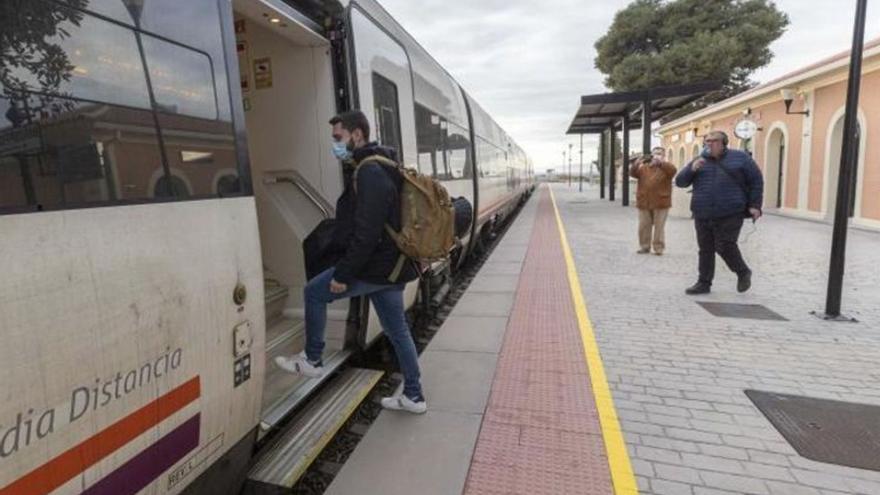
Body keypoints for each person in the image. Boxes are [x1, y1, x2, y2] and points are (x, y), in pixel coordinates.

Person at [275, 110, 427, 414]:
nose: (335, 144)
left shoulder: (370, 171)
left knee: (314, 293)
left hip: (376, 265)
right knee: (397, 330)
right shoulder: (382, 165)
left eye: (338, 137)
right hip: (391, 265)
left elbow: (367, 233)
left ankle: (313, 359)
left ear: (357, 134)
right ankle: (414, 396)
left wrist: (344, 273)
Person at [675, 131, 764, 295]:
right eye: (707, 141)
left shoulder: (741, 158)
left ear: (724, 143)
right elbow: (680, 182)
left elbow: (756, 181)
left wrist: (755, 205)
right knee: (705, 249)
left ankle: (742, 271)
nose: (709, 144)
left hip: (731, 210)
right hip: (702, 210)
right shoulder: (698, 160)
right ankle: (704, 282)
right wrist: (691, 170)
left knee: (724, 245)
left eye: (714, 141)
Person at [629, 147, 676, 255]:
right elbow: (632, 174)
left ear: (664, 156)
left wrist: (660, 163)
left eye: (660, 154)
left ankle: (658, 248)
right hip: (644, 201)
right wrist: (636, 163)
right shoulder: (643, 168)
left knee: (659, 227)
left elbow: (673, 171)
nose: (657, 156)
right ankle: (644, 246)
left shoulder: (667, 168)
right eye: (655, 154)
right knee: (644, 226)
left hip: (661, 202)